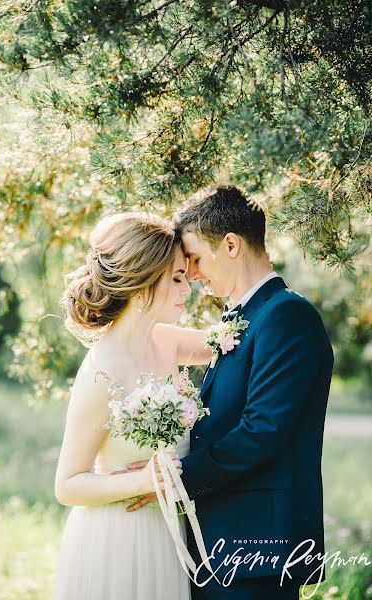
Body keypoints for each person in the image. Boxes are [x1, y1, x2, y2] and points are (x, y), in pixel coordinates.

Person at [127, 186, 334, 600]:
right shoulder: (246, 318)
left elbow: (262, 431)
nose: (196, 274)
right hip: (224, 540)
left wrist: (173, 482)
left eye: (197, 258)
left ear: (232, 244)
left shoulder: (287, 316)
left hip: (256, 543)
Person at [53, 211, 212, 600]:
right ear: (142, 283)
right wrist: (142, 482)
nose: (186, 289)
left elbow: (235, 342)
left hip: (167, 535)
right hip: (118, 537)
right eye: (176, 278)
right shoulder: (100, 371)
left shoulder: (167, 340)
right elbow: (67, 486)